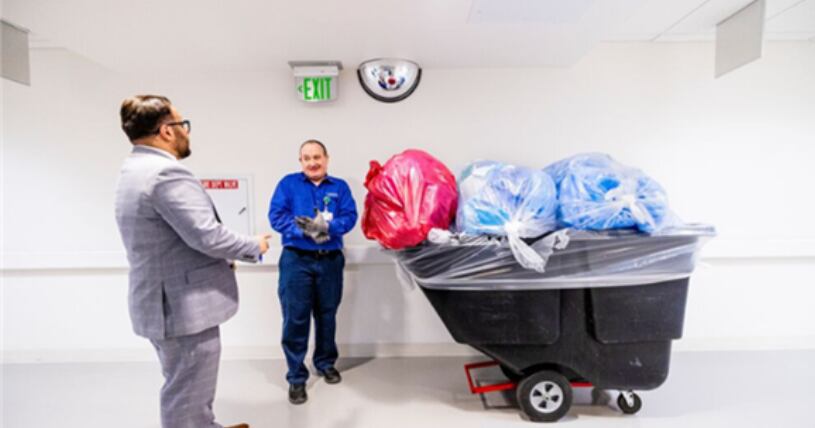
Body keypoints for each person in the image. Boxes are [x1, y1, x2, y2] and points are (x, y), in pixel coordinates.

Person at [115, 95, 269, 428]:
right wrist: (253, 245)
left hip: (163, 304)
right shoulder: (164, 173)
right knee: (186, 396)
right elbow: (207, 236)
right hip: (181, 310)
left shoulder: (133, 169)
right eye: (182, 124)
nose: (187, 132)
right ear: (166, 131)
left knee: (186, 386)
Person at [268, 139, 358, 404]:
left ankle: (325, 362)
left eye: (317, 157)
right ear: (300, 162)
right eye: (306, 158)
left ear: (326, 159)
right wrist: (305, 230)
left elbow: (350, 217)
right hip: (297, 260)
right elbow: (277, 216)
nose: (312, 162)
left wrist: (326, 228)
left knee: (327, 315)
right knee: (295, 318)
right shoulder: (288, 184)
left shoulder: (340, 187)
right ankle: (296, 378)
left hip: (330, 260)